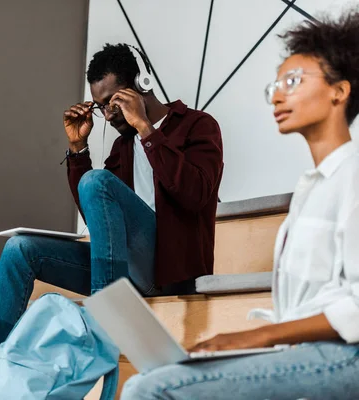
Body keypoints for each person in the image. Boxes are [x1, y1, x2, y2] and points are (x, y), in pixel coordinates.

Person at [0, 43, 223, 398]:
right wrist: (78, 151)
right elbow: (98, 216)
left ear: (141, 83)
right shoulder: (123, 147)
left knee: (97, 181)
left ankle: (103, 329)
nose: (108, 115)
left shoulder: (197, 126)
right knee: (20, 249)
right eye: (101, 105)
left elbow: (196, 194)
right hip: (125, 270)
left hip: (171, 270)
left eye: (113, 102)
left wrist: (147, 131)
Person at [121, 11, 359, 399]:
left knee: (150, 389)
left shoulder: (353, 178)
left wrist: (257, 336)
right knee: (157, 375)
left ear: (339, 91)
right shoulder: (311, 189)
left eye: (293, 81)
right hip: (304, 352)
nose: (278, 95)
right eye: (275, 85)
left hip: (346, 357)